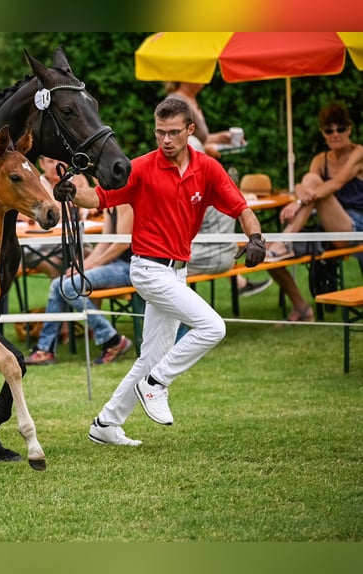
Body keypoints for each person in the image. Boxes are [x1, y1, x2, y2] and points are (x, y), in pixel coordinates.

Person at [53, 96, 266, 446]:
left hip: (178, 272)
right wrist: (71, 194)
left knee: (151, 356)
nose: (166, 140)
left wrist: (255, 236)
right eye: (159, 132)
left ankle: (105, 423)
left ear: (190, 130)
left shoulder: (209, 168)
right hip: (149, 270)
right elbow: (100, 197)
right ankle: (156, 384)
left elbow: (241, 207)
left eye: (173, 133)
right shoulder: (140, 168)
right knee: (213, 326)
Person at [167, 83, 271, 297]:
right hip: (222, 252)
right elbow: (243, 210)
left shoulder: (195, 176)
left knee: (149, 268)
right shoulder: (206, 170)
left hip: (208, 255)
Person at [263, 102, 363, 322]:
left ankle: (285, 242)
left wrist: (299, 201)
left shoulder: (359, 153)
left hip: (353, 229)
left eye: (341, 128)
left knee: (315, 183)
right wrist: (300, 195)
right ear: (323, 133)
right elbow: (302, 186)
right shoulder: (321, 159)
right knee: (264, 252)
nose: (335, 134)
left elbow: (336, 184)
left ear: (349, 129)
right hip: (324, 229)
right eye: (329, 130)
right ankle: (301, 307)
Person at [24, 202, 134, 366]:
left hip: (130, 267)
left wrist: (88, 266)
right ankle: (45, 349)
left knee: (68, 286)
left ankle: (112, 339)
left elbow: (122, 244)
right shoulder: (112, 202)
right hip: (117, 265)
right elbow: (104, 243)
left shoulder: (124, 202)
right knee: (58, 284)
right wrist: (82, 267)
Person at [18, 155, 92, 278]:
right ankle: (60, 295)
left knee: (90, 255)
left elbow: (91, 208)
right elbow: (57, 214)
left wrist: (85, 209)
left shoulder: (78, 180)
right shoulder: (36, 184)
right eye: (50, 161)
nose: (55, 166)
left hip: (72, 243)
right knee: (56, 265)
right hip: (39, 247)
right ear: (42, 164)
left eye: (59, 160)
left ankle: (87, 295)